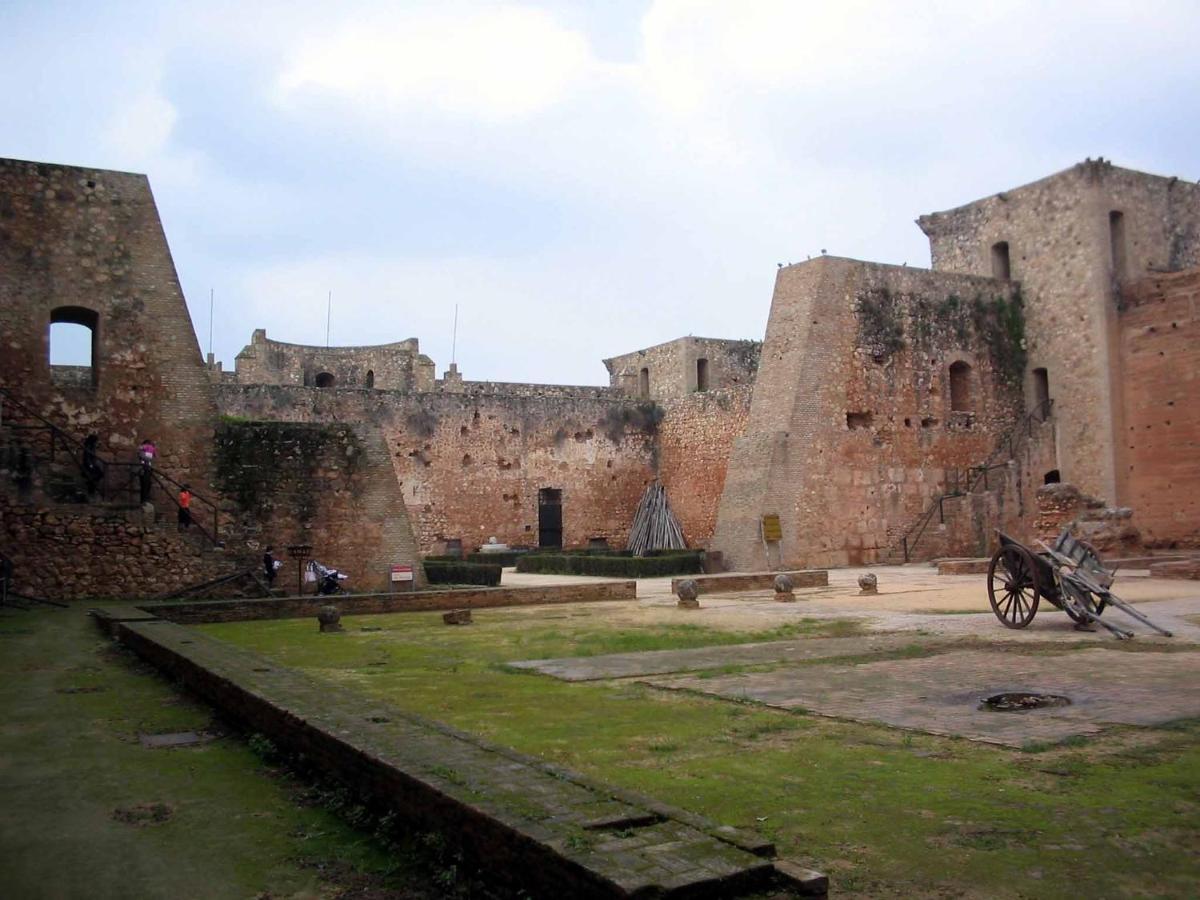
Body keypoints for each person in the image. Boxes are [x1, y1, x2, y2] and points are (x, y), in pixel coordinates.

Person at [138, 438, 156, 503]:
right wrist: (149, 456)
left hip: (148, 468)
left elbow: (153, 457)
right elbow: (142, 457)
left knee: (148, 484)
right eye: (149, 445)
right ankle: (143, 500)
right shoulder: (142, 450)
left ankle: (145, 499)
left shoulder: (149, 450)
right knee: (144, 484)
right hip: (143, 468)